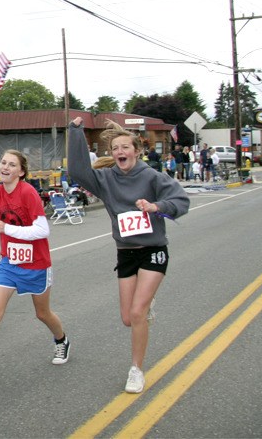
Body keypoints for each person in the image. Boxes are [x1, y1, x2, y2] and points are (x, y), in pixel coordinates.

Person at [68, 117, 190, 394]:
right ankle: (145, 308)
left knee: (137, 313)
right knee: (128, 318)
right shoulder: (105, 179)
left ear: (136, 151)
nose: (120, 151)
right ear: (112, 154)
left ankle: (136, 370)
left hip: (153, 251)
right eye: (115, 148)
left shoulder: (153, 177)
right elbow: (77, 171)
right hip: (126, 253)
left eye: (125, 147)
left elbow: (181, 203)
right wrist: (74, 132)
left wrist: (155, 206)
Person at [0, 138, 70, 387]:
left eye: (11, 164)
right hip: (9, 263)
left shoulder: (27, 192)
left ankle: (61, 340)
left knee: (42, 313)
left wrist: (7, 228)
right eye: (3, 163)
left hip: (36, 264)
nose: (5, 167)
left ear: (21, 171)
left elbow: (42, 230)